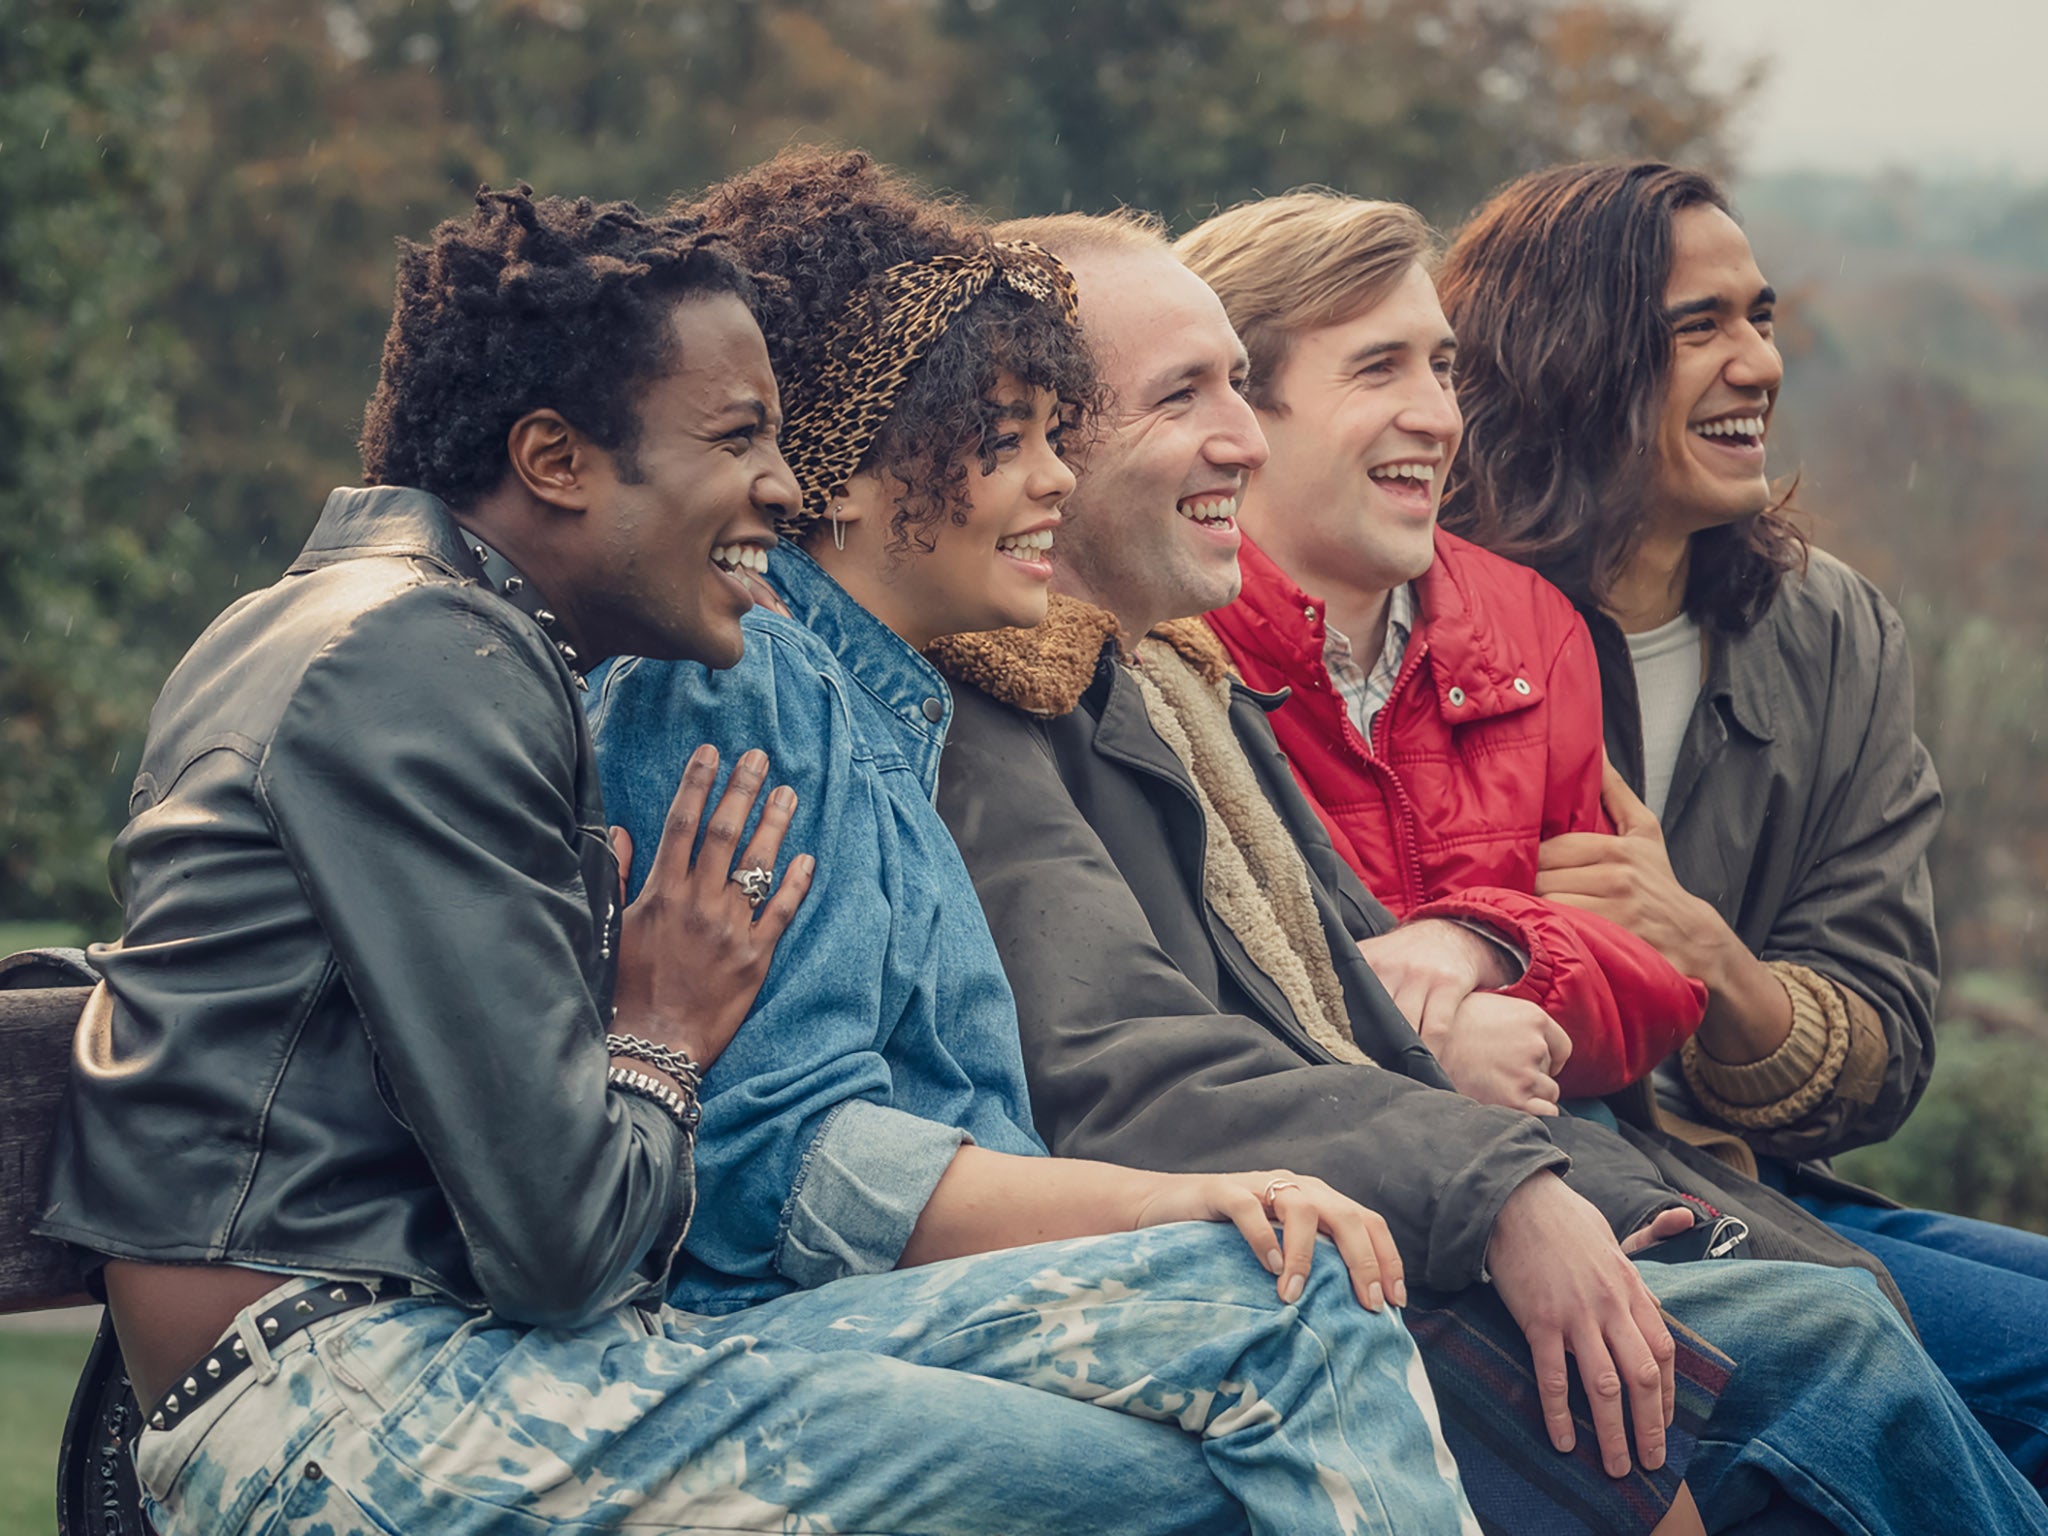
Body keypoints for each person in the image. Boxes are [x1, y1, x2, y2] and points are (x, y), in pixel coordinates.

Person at [33, 184, 1470, 1536]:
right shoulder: (418, 661)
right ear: (553, 460)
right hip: (334, 1403)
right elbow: (570, 1244)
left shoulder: (418, 640)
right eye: (737, 441)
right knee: (1217, 1429)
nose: (784, 488)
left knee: (1265, 1343)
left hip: (433, 1359)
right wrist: (661, 1036)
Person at [931, 204, 2048, 1534]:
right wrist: (1511, 1159)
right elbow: (1169, 1066)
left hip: (1547, 1160)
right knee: (1835, 1354)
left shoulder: (1492, 632)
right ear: (1036, 448)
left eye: (1443, 368)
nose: (1758, 359)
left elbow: (1629, 977)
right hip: (1379, 1216)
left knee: (1882, 1328)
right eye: (1198, 393)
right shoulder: (1161, 657)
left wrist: (1493, 958)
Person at [583, 150, 1483, 1533]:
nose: (1058, 482)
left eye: (1059, 435)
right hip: (751, 1340)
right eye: (1003, 441)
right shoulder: (745, 680)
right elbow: (777, 1161)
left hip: (906, 1315)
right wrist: (1171, 1204)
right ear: (857, 466)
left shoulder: (886, 706)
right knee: (1291, 1290)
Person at [1437, 159, 2048, 1487]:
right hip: (1576, 1214)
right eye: (1697, 327)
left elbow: (1883, 1041)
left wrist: (1706, 961)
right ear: (1566, 358)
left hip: (1770, 1183)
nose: (1757, 363)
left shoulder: (1829, 629)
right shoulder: (1436, 610)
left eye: (1761, 319)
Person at [1177, 189, 1704, 1107]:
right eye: (1379, 368)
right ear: (1240, 412)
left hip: (1570, 1161)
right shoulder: (1162, 644)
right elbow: (1152, 1010)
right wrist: (1425, 1045)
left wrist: (1477, 944)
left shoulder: (1531, 625)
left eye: (1443, 370)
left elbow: (1651, 989)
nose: (1438, 417)